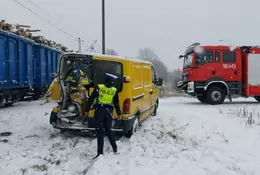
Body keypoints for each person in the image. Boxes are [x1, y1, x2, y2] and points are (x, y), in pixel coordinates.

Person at [85, 73, 122, 159]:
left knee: (100, 132)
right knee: (109, 130)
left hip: (99, 111)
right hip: (109, 111)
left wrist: (87, 109)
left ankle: (100, 153)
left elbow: (91, 98)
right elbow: (116, 102)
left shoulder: (99, 87)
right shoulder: (114, 90)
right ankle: (115, 149)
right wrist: (119, 113)